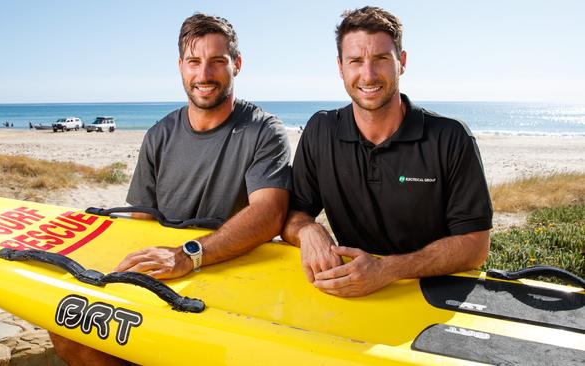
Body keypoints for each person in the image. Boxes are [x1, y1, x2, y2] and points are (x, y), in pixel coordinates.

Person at [49, 12, 291, 366]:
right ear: (180, 66)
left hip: (233, 278)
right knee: (67, 330)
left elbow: (269, 214)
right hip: (166, 272)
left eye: (217, 62)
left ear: (237, 64)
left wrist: (188, 254)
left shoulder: (264, 131)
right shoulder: (159, 134)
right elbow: (141, 220)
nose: (204, 75)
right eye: (194, 61)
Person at [282, 6, 492, 298]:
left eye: (380, 59)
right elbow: (293, 214)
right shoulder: (321, 130)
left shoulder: (451, 137)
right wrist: (308, 230)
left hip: (436, 293)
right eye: (355, 61)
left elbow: (476, 244)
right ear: (340, 67)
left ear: (401, 62)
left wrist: (387, 270)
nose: (368, 75)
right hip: (356, 291)